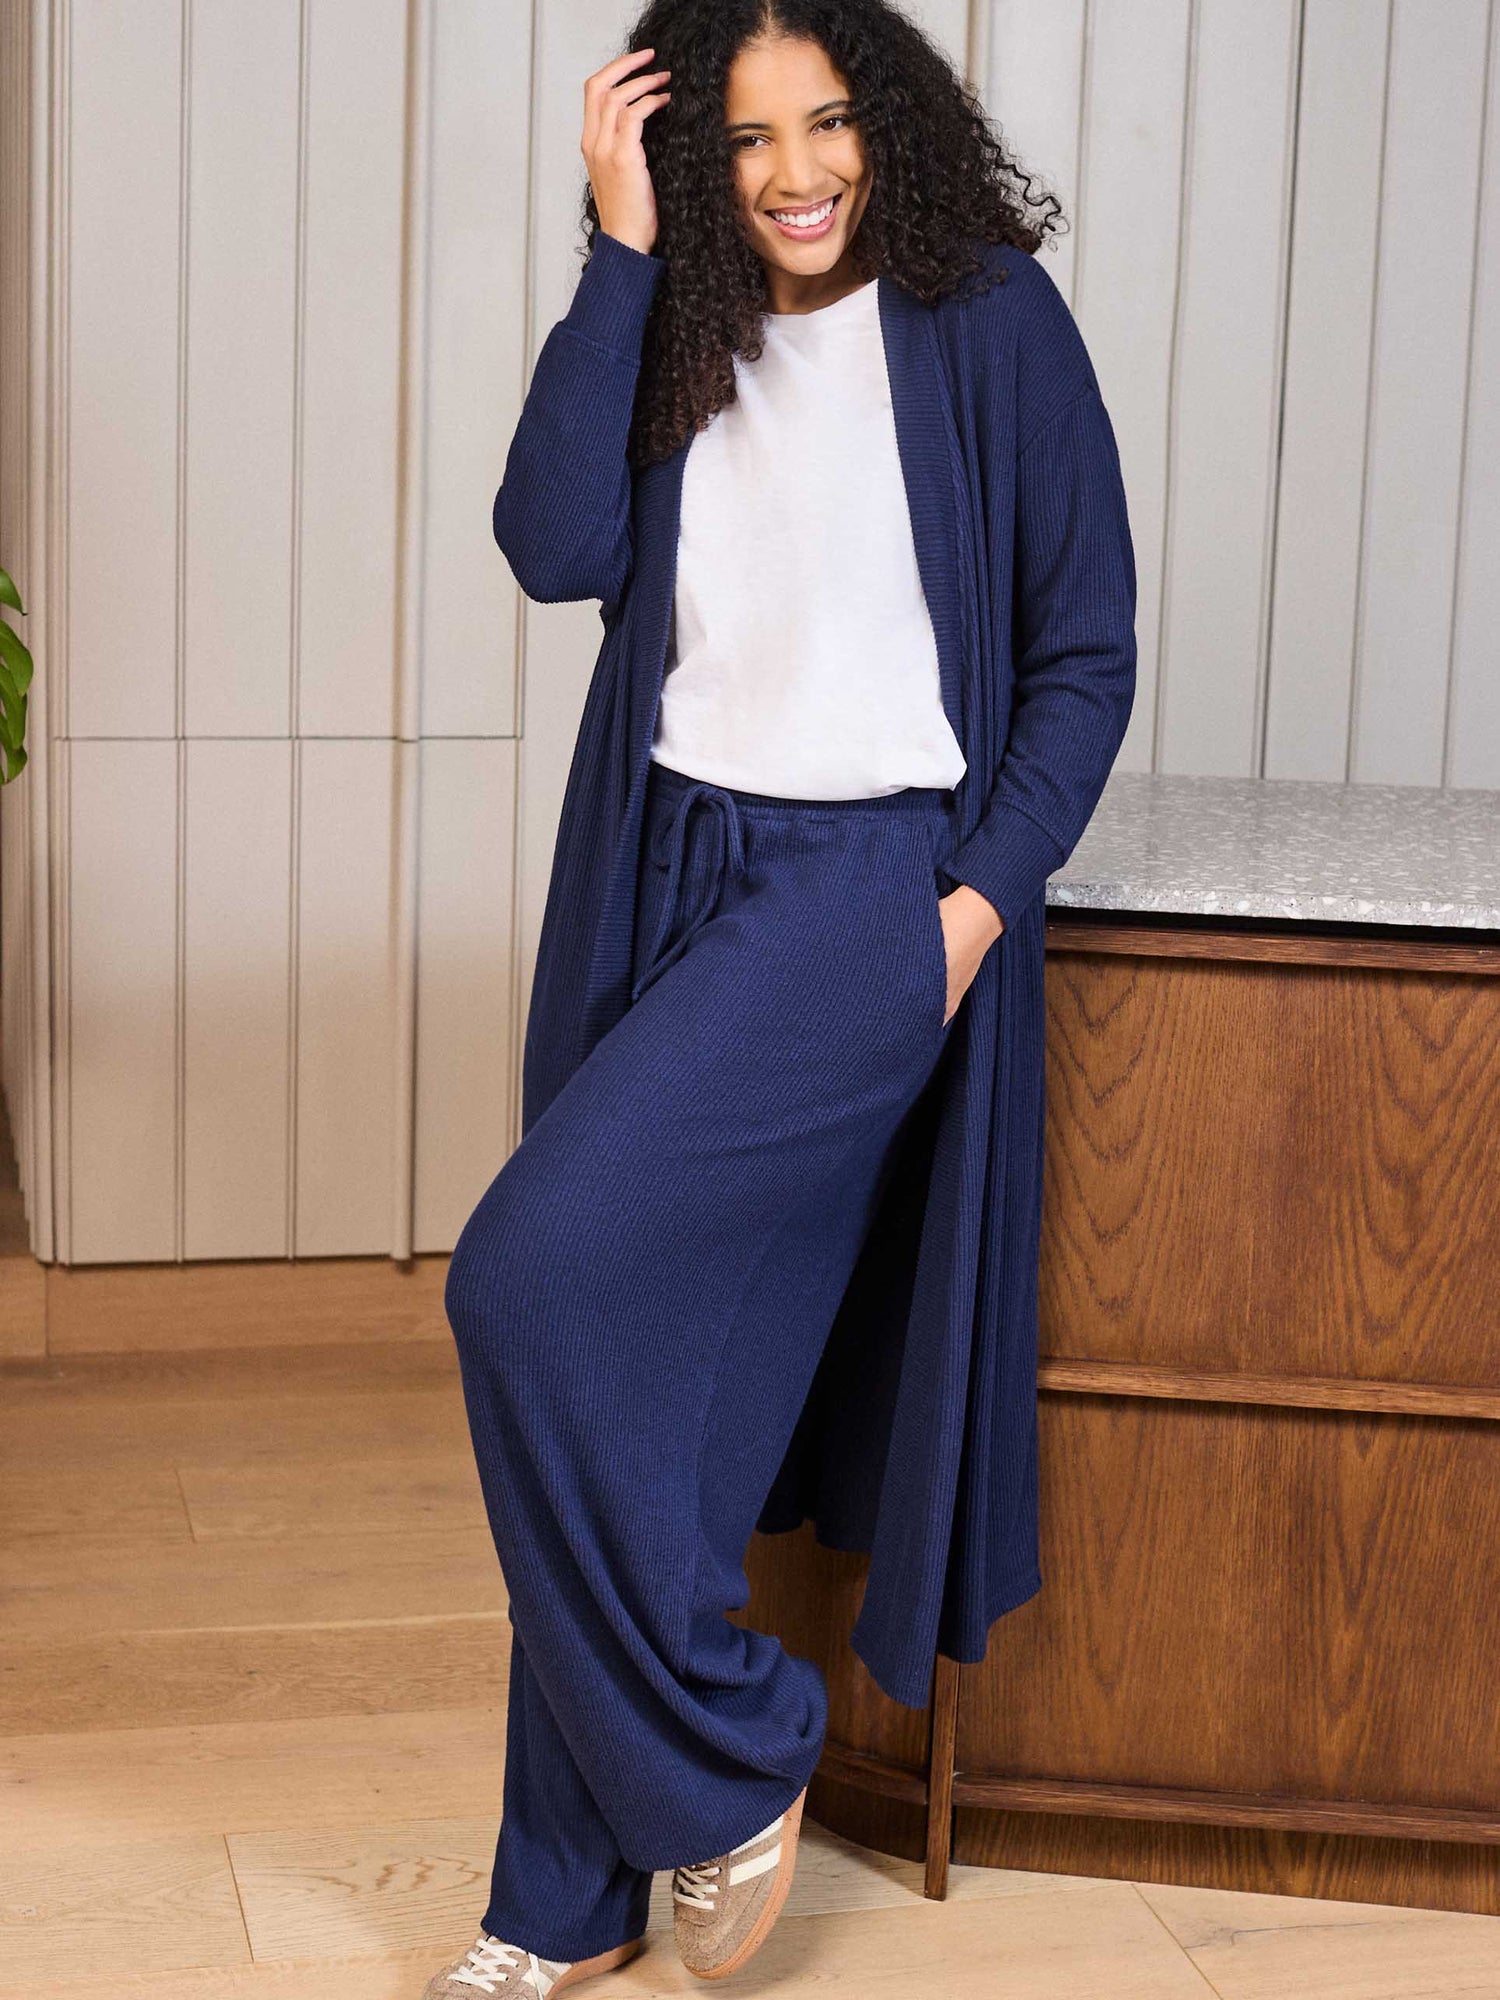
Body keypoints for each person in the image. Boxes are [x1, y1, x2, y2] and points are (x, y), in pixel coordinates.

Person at [424, 3, 1136, 1994]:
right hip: (663, 867)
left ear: (888, 123)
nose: (796, 174)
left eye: (827, 123)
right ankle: (554, 1904)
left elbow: (1084, 653)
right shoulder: (677, 314)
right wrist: (619, 249)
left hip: (855, 903)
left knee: (520, 1280)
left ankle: (734, 1749)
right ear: (692, 157)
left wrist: (963, 916)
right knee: (636, 1403)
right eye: (744, 140)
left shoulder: (990, 321)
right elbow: (551, 544)